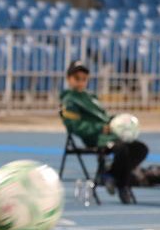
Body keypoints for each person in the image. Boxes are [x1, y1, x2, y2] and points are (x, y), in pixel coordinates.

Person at [60, 60, 148, 204]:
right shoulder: (69, 100)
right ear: (69, 79)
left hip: (109, 135)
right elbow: (75, 127)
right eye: (77, 78)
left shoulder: (91, 97)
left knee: (140, 148)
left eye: (84, 79)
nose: (81, 82)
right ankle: (122, 185)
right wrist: (100, 128)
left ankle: (110, 174)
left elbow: (104, 118)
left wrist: (119, 122)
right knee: (121, 148)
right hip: (95, 138)